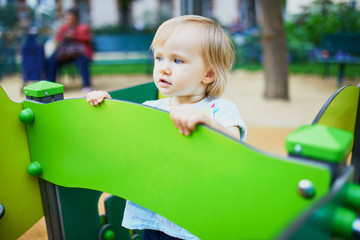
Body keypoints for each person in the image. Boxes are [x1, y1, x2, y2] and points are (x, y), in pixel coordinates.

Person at [86, 15, 247, 240]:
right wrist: (108, 106)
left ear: (208, 74)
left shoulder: (219, 109)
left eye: (177, 61)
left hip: (195, 222)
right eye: (159, 58)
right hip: (154, 216)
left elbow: (234, 144)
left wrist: (207, 122)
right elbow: (123, 135)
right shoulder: (151, 108)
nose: (163, 68)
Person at [47, 7, 93, 94]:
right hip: (65, 54)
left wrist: (74, 36)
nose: (68, 20)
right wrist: (63, 36)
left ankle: (86, 85)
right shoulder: (63, 28)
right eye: (67, 18)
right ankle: (50, 85)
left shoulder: (82, 27)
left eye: (70, 18)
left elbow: (88, 38)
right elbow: (58, 40)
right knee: (52, 60)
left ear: (76, 18)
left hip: (79, 53)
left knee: (83, 61)